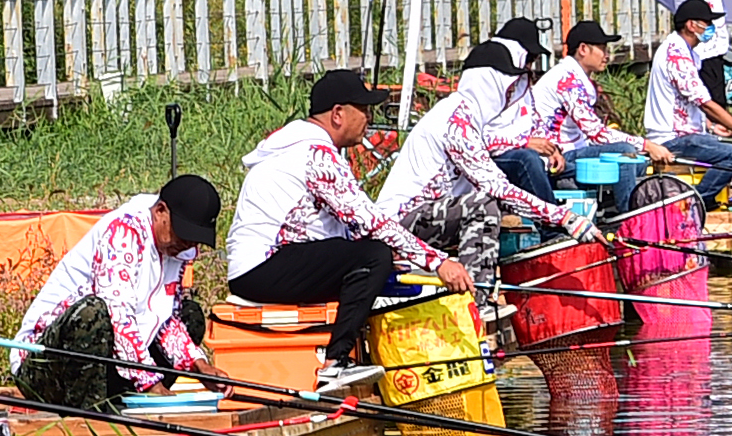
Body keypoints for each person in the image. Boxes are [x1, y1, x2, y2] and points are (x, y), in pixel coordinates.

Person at [226, 69, 471, 369]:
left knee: (376, 260)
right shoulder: (315, 155)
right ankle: (336, 361)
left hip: (267, 264)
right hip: (260, 268)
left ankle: (363, 353)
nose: (369, 117)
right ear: (338, 114)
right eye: (364, 109)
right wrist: (438, 262)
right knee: (373, 256)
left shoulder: (309, 148)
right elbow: (371, 221)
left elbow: (348, 226)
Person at [378, 40, 581, 308]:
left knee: (490, 202)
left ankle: (479, 292)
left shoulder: (471, 119)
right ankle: (476, 303)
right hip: (399, 223)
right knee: (484, 204)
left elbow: (500, 159)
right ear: (488, 83)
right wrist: (564, 218)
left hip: (427, 217)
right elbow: (497, 187)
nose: (509, 96)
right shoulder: (455, 121)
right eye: (506, 87)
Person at [12, 176, 220, 413]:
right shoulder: (122, 233)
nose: (186, 244)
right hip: (45, 363)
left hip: (106, 357)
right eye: (183, 235)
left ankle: (129, 400)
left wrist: (198, 364)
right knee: (94, 314)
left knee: (189, 315)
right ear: (161, 211)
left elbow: (161, 319)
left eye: (194, 239)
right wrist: (150, 383)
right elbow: (118, 317)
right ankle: (90, 413)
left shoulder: (173, 247)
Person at [640, 0, 732, 205]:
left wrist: (712, 126)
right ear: (691, 25)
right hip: (672, 139)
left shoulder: (689, 54)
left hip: (689, 135)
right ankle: (697, 202)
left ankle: (715, 202)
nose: (711, 28)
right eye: (707, 23)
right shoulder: (676, 55)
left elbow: (688, 103)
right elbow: (704, 102)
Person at [533, 20, 671, 187]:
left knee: (638, 160)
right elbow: (596, 133)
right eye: (602, 48)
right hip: (557, 157)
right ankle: (629, 209)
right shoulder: (567, 80)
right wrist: (647, 145)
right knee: (626, 152)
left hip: (573, 150)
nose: (607, 55)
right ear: (583, 49)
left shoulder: (576, 77)